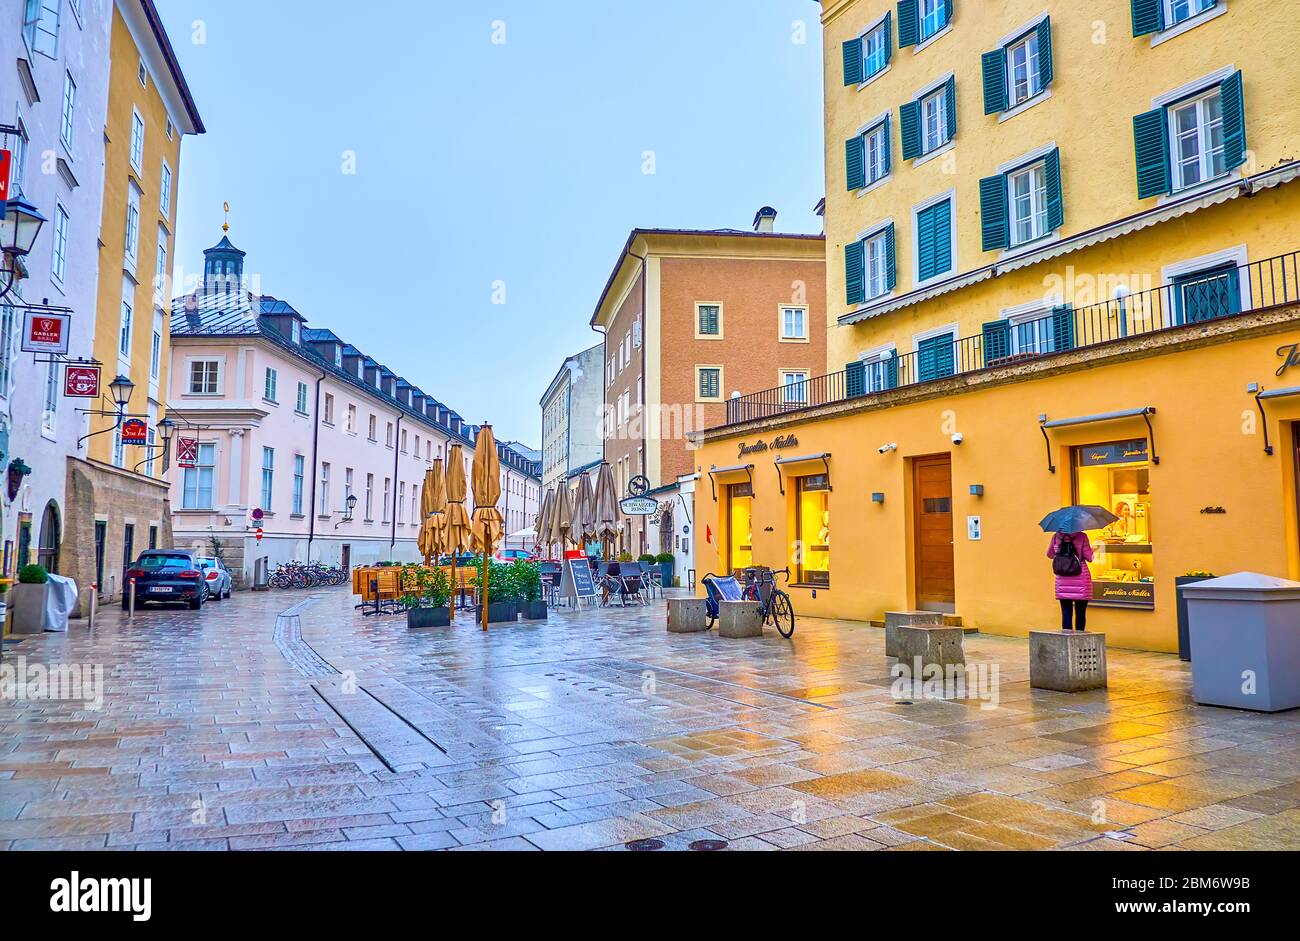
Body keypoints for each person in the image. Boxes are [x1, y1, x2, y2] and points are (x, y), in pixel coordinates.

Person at [1047, 531, 1094, 631]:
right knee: (1080, 613)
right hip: (1080, 578)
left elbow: (1050, 554)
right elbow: (1090, 557)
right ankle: (1080, 640)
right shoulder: (1082, 536)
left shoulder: (1056, 536)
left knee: (1066, 612)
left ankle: (1067, 640)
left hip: (1062, 579)